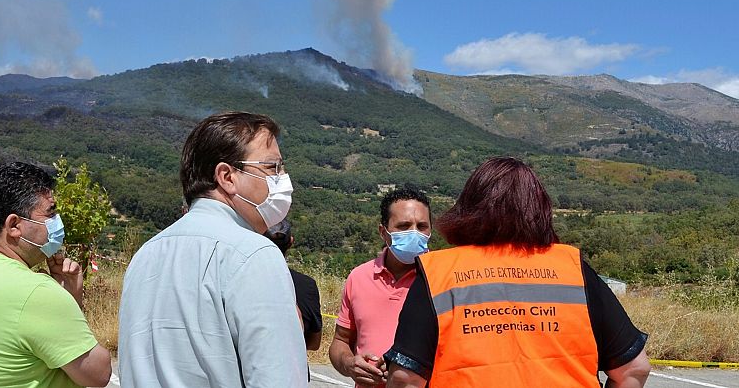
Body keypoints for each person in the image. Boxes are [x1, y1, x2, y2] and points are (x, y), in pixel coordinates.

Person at [384, 157, 651, 388]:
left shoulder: (437, 273)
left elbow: (406, 379)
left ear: (469, 207)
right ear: (539, 209)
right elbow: (634, 369)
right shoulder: (572, 269)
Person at [118, 111, 307, 387]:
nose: (283, 179)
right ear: (227, 177)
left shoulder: (145, 254)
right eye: (272, 167)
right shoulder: (253, 254)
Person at [0, 162, 112, 388]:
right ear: (14, 225)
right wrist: (72, 300)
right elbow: (98, 374)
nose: (57, 221)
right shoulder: (37, 293)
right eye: (50, 212)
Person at [329, 187, 432, 388]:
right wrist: (350, 364)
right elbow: (340, 341)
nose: (414, 233)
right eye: (403, 226)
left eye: (421, 226)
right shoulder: (358, 277)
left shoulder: (441, 280)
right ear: (383, 232)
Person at [264, 218, 323, 351]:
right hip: (294, 368)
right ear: (291, 242)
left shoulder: (244, 279)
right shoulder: (307, 285)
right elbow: (314, 343)